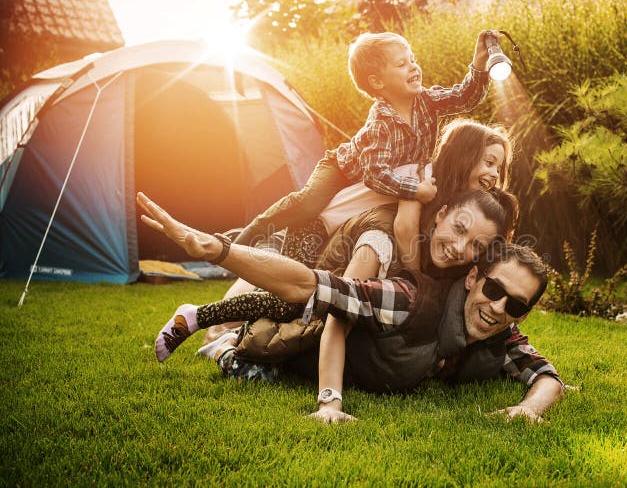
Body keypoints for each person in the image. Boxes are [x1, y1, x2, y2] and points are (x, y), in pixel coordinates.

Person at [137, 193, 564, 424]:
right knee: (263, 348)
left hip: (325, 300)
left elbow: (546, 376)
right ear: (475, 279)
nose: (498, 306)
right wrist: (220, 249)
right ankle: (217, 332)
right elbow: (315, 286)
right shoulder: (406, 292)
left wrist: (529, 409)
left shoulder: (496, 329)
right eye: (494, 289)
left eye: (515, 304)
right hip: (307, 320)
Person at [205, 118, 513, 341]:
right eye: (488, 162)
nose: (493, 174)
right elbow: (405, 228)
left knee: (292, 285)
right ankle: (217, 326)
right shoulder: (423, 175)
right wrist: (415, 281)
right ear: (464, 155)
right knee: (282, 281)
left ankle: (224, 324)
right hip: (326, 223)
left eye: (498, 168)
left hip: (347, 234)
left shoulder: (453, 200)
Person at [232, 30, 497, 259]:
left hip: (384, 175)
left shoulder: (427, 101)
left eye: (413, 60)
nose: (414, 67)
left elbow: (464, 98)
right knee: (310, 204)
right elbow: (375, 174)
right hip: (341, 169)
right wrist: (415, 190)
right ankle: (249, 233)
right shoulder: (381, 122)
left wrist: (479, 64)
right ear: (377, 82)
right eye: (402, 64)